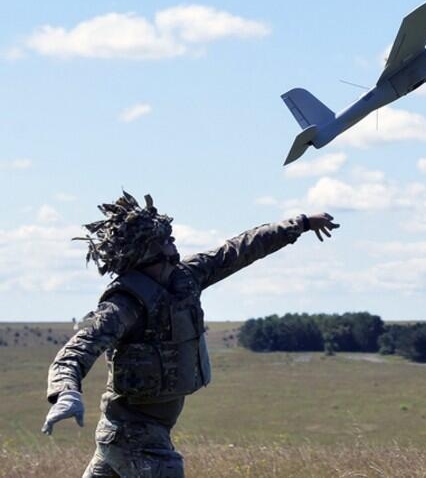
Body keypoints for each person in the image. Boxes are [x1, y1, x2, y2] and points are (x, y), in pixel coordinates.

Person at [42, 192, 339, 477]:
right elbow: (76, 351)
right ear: (148, 252)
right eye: (166, 241)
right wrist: (65, 393)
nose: (174, 245)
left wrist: (298, 224)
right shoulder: (125, 304)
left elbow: (240, 249)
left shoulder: (187, 276)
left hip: (135, 434)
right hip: (134, 438)